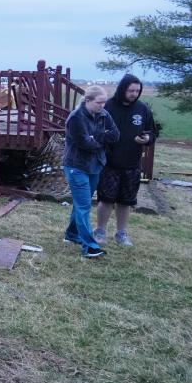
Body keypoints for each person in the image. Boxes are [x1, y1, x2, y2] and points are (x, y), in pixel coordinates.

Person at [94, 74, 157, 247]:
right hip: (109, 162)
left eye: (137, 90)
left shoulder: (142, 109)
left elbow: (152, 131)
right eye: (131, 90)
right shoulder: (108, 107)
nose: (134, 94)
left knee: (125, 201)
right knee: (106, 199)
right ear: (123, 89)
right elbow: (95, 128)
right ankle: (100, 231)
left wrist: (147, 138)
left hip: (132, 163)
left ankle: (121, 233)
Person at [62, 85, 119, 258]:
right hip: (76, 166)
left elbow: (116, 135)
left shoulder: (103, 114)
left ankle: (72, 234)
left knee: (81, 204)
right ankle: (90, 247)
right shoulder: (76, 118)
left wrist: (97, 138)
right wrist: (103, 140)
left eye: (104, 102)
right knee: (84, 205)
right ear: (87, 100)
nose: (103, 106)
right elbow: (84, 144)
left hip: (96, 165)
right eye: (99, 102)